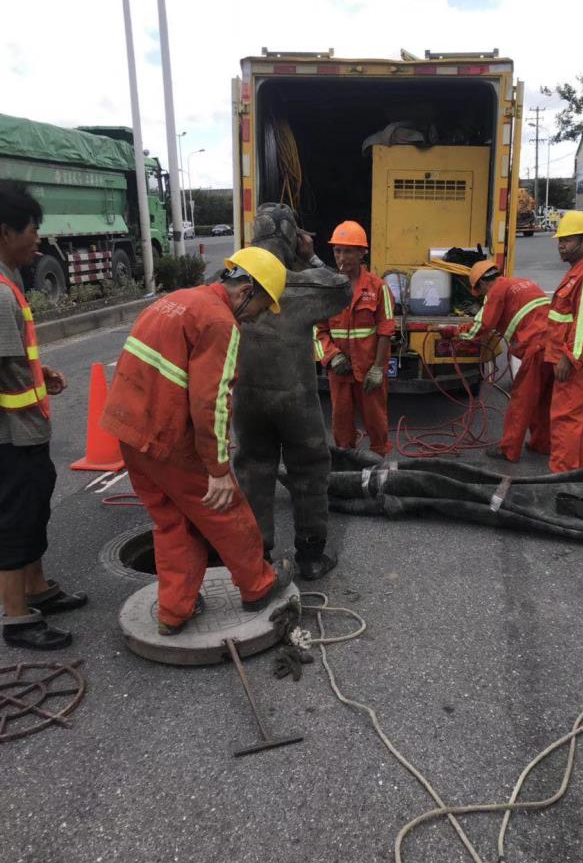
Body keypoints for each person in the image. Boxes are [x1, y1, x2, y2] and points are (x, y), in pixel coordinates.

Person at [101, 246, 293, 635]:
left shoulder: (173, 301)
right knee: (227, 509)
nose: (256, 317)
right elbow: (212, 404)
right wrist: (218, 468)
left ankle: (175, 610)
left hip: (129, 431)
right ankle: (257, 585)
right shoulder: (220, 323)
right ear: (246, 291)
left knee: (173, 522)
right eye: (261, 307)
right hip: (169, 438)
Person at [232, 203, 351, 581]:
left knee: (254, 471)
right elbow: (342, 288)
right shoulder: (299, 285)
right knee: (309, 470)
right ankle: (311, 557)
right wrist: (309, 254)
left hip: (247, 400)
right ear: (289, 239)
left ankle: (257, 559)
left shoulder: (229, 285)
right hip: (295, 400)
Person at [0, 183, 86, 651]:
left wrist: (41, 373)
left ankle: (36, 589)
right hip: (11, 437)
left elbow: (13, 362)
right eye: (32, 229)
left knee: (33, 509)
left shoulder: (10, 283)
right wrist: (29, 394)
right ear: (5, 231)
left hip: (25, 431)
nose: (38, 238)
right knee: (14, 520)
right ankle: (16, 617)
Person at [454, 262, 552, 462]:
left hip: (536, 348)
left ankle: (509, 449)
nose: (482, 297)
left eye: (479, 291)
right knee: (543, 400)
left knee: (521, 400)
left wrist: (456, 332)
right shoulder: (522, 282)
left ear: (482, 282)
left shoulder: (496, 290)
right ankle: (542, 443)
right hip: (554, 345)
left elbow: (482, 326)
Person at [314, 221, 395, 456]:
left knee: (376, 421)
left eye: (348, 251)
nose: (342, 257)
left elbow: (386, 329)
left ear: (362, 253)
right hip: (339, 371)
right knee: (341, 422)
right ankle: (345, 462)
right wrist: (332, 357)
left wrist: (378, 368)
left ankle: (379, 463)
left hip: (369, 369)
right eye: (337, 250)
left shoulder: (378, 288)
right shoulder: (327, 290)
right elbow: (316, 330)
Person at [545, 210, 583, 473]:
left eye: (568, 240)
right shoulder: (579, 272)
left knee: (565, 418)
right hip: (580, 359)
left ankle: (562, 478)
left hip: (577, 362)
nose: (561, 244)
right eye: (561, 239)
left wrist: (568, 358)